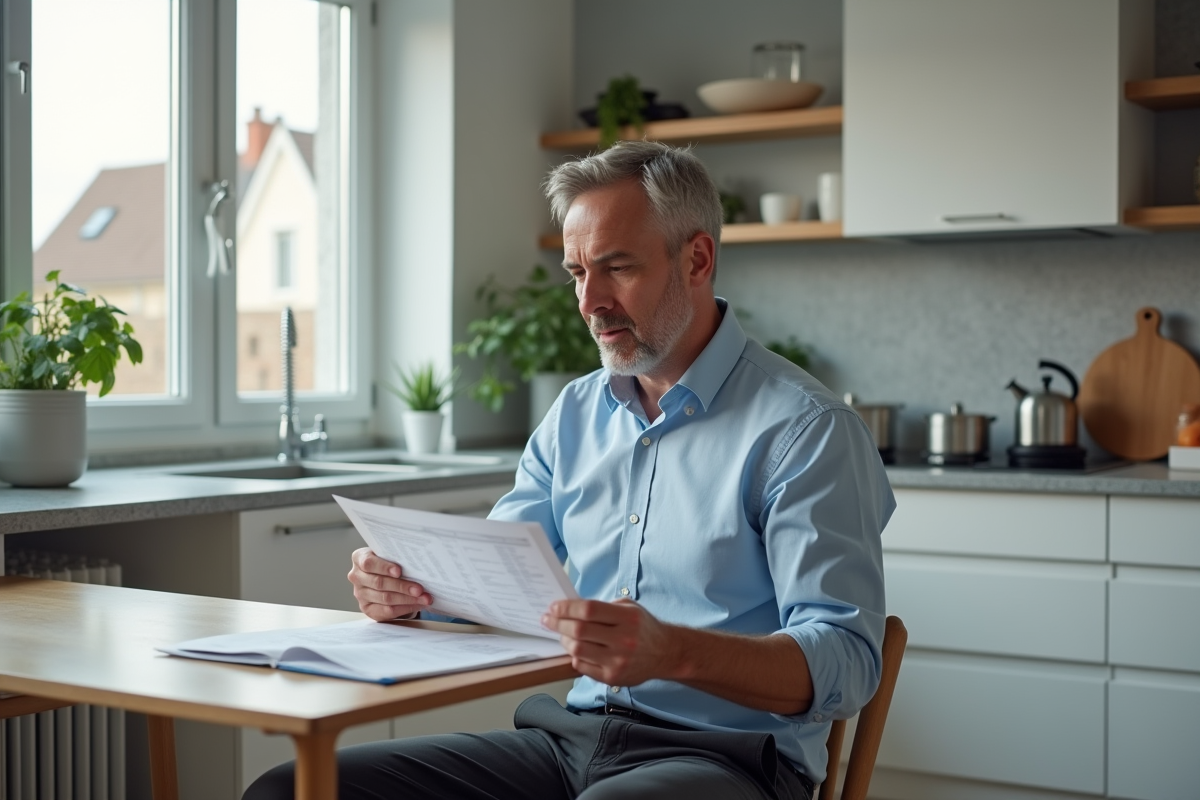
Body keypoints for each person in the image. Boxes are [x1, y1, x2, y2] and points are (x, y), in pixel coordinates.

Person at [244, 141, 894, 800]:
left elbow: (846, 661)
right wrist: (412, 598)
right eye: (578, 272)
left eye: (617, 268)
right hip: (568, 741)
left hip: (730, 761)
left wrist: (673, 651)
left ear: (697, 260)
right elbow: (499, 587)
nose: (591, 302)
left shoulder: (805, 429)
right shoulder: (576, 413)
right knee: (288, 790)